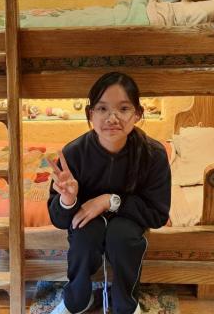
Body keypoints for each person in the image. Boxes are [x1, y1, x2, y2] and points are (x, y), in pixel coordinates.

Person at [47, 72, 171, 314]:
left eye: (123, 109)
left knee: (122, 236)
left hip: (129, 218)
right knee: (83, 237)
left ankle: (126, 305)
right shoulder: (73, 154)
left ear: (138, 114)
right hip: (87, 220)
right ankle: (77, 301)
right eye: (102, 109)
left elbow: (157, 214)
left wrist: (109, 201)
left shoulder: (153, 155)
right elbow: (59, 219)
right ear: (90, 114)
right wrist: (68, 199)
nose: (112, 118)